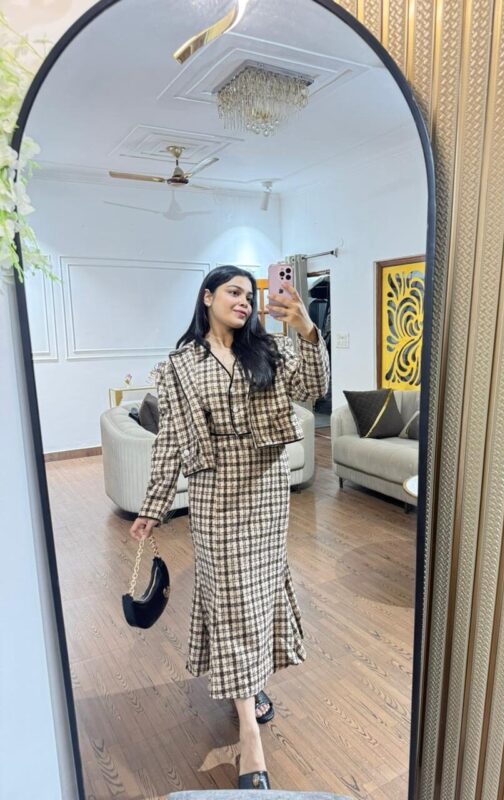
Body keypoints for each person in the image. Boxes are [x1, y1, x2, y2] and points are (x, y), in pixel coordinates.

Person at [129, 265, 330, 790]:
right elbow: (170, 441)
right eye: (233, 292)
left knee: (256, 596)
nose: (244, 301)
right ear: (207, 297)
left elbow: (314, 389)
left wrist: (307, 329)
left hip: (266, 492)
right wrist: (152, 506)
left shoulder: (269, 351)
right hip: (215, 494)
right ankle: (250, 736)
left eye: (249, 294)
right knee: (232, 596)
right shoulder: (180, 365)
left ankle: (249, 682)